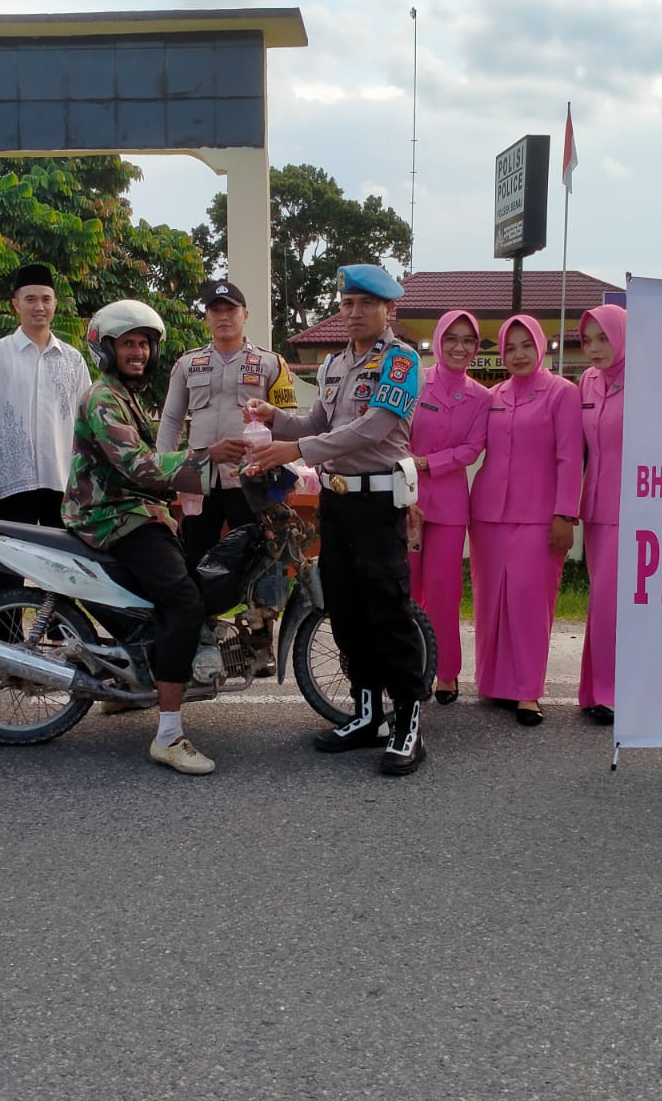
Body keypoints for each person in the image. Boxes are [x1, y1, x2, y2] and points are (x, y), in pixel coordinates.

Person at [245, 263, 429, 775]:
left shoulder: (401, 361)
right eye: (347, 303)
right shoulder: (331, 366)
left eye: (364, 304)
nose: (353, 313)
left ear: (387, 309)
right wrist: (273, 419)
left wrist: (293, 448)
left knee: (387, 611)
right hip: (337, 502)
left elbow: (372, 430)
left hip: (377, 504)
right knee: (345, 609)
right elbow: (317, 422)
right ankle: (367, 715)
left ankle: (408, 722)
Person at [63, 299, 247, 775]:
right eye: (128, 344)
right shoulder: (103, 398)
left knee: (176, 589)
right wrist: (207, 456)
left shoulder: (125, 395)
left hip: (136, 512)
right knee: (184, 602)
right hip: (111, 516)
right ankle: (168, 735)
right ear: (106, 349)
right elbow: (138, 466)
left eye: (144, 344)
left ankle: (134, 687)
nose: (139, 352)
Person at [468, 314, 582, 726]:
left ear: (542, 346)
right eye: (510, 347)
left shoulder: (562, 394)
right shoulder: (492, 395)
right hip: (487, 515)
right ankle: (494, 683)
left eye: (526, 346)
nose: (518, 355)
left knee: (530, 603)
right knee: (490, 600)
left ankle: (527, 691)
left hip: (539, 517)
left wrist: (565, 514)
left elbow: (570, 458)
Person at [158, 279, 297, 568]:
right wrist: (163, 471)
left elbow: (288, 423)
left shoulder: (271, 363)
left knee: (255, 557)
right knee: (194, 555)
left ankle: (257, 615)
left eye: (230, 310)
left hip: (251, 478)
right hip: (199, 478)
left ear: (245, 315)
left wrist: (288, 473)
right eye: (216, 310)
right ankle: (198, 613)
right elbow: (171, 420)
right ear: (206, 317)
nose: (223, 316)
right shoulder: (188, 363)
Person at [406, 310, 491, 706]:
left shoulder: (481, 397)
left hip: (451, 506)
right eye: (451, 338)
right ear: (437, 341)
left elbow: (472, 448)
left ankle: (447, 671)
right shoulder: (414, 381)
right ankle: (408, 665)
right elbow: (393, 431)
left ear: (476, 348)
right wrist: (411, 468)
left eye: (468, 340)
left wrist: (429, 463)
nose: (459, 347)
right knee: (406, 588)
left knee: (444, 590)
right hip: (405, 499)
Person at [0, 264, 91, 526]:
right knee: (11, 560)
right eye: (30, 299)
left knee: (59, 560)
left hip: (62, 479)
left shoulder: (73, 359)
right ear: (16, 304)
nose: (39, 307)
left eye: (46, 299)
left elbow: (85, 421)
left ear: (55, 303)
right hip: (14, 480)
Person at [575, 304, 628, 726]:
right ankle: (594, 690)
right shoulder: (587, 382)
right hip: (593, 506)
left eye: (603, 338)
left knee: (614, 600)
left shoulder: (647, 384)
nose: (594, 348)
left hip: (632, 507)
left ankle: (614, 692)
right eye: (587, 340)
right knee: (600, 600)